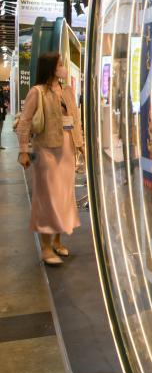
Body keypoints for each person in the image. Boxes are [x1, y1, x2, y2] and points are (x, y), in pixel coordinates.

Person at [16, 52, 85, 265]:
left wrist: (81, 144)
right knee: (47, 197)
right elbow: (24, 122)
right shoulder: (37, 92)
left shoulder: (68, 91)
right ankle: (46, 247)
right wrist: (23, 150)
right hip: (46, 150)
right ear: (51, 67)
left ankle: (57, 240)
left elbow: (76, 119)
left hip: (67, 149)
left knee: (64, 196)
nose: (63, 67)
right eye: (60, 64)